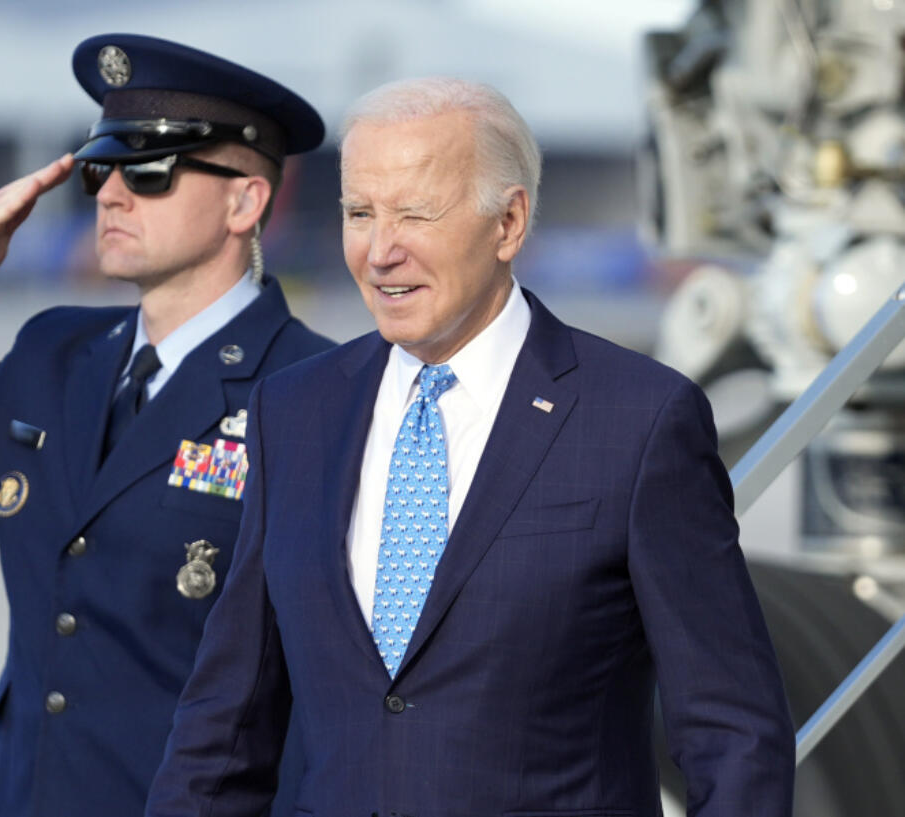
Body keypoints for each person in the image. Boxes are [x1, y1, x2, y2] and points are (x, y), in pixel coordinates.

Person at [145, 78, 795, 817]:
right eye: (360, 213)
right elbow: (226, 725)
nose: (380, 251)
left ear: (509, 222)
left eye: (415, 214)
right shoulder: (294, 410)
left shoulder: (638, 421)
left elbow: (734, 732)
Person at [0, 33, 333, 817]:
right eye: (100, 167)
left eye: (149, 168)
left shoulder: (317, 390)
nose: (112, 193)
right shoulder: (55, 353)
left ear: (245, 201)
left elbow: (337, 688)